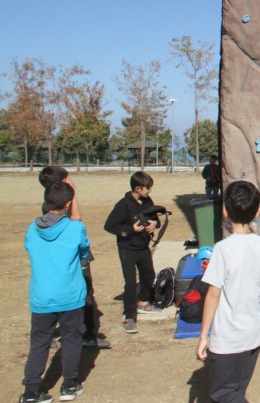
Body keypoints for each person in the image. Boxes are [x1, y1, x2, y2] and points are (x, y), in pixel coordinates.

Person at [196, 180, 260, 402]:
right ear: (257, 212)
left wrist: (203, 335)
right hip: (253, 333)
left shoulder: (222, 249)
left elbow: (213, 293)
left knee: (224, 394)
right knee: (237, 390)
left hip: (229, 337)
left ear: (225, 210)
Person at [20, 181, 91, 403]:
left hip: (41, 297)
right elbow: (84, 251)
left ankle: (31, 391)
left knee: (39, 342)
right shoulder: (75, 228)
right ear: (68, 204)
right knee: (71, 340)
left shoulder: (32, 229)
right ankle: (69, 385)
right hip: (70, 296)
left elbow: (29, 247)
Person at [38, 166, 110, 349]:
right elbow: (76, 218)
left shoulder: (52, 202)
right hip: (72, 256)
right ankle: (87, 335)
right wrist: (73, 192)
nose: (71, 181)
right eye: (67, 179)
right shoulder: (56, 205)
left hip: (70, 254)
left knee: (78, 292)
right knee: (84, 293)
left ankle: (79, 332)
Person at [104, 171, 161, 334]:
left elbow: (155, 219)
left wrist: (153, 223)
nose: (149, 191)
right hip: (127, 248)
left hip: (143, 247)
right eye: (147, 188)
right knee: (130, 282)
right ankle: (129, 317)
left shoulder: (147, 201)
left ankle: (143, 302)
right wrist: (130, 229)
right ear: (137, 188)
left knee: (149, 275)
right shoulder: (123, 204)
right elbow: (110, 226)